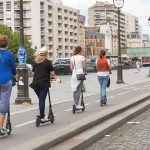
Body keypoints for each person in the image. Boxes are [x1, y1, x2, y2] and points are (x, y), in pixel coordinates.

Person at [30, 47, 56, 122]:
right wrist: (55, 78)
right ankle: (42, 116)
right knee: (42, 99)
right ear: (46, 54)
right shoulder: (48, 62)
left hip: (35, 84)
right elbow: (52, 73)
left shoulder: (36, 62)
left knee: (41, 99)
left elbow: (33, 73)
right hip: (43, 83)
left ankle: (41, 113)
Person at [0, 35, 16, 135]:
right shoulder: (9, 55)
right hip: (6, 81)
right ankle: (0, 127)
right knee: (4, 103)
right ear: (7, 44)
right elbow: (14, 71)